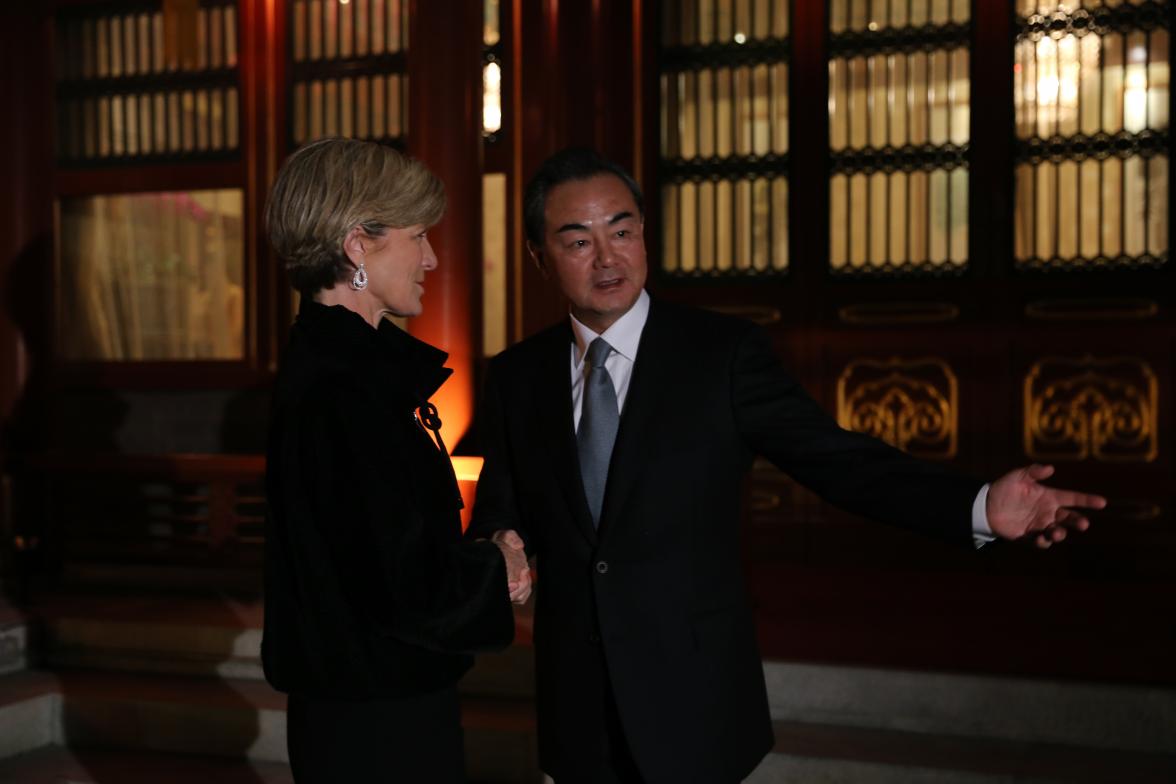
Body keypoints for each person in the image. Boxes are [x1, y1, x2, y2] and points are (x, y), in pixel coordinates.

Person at [469, 147, 1107, 784]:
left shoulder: (721, 355)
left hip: (696, 700)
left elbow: (839, 461)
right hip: (575, 711)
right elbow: (501, 502)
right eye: (578, 240)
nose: (608, 258)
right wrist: (501, 540)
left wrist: (977, 506)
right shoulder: (517, 376)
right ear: (538, 257)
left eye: (623, 231)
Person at [261, 137, 528, 782]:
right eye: (418, 236)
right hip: (377, 719)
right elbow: (402, 576)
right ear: (358, 245)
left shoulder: (338, 367)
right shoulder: (346, 389)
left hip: (362, 700)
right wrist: (502, 565)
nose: (432, 257)